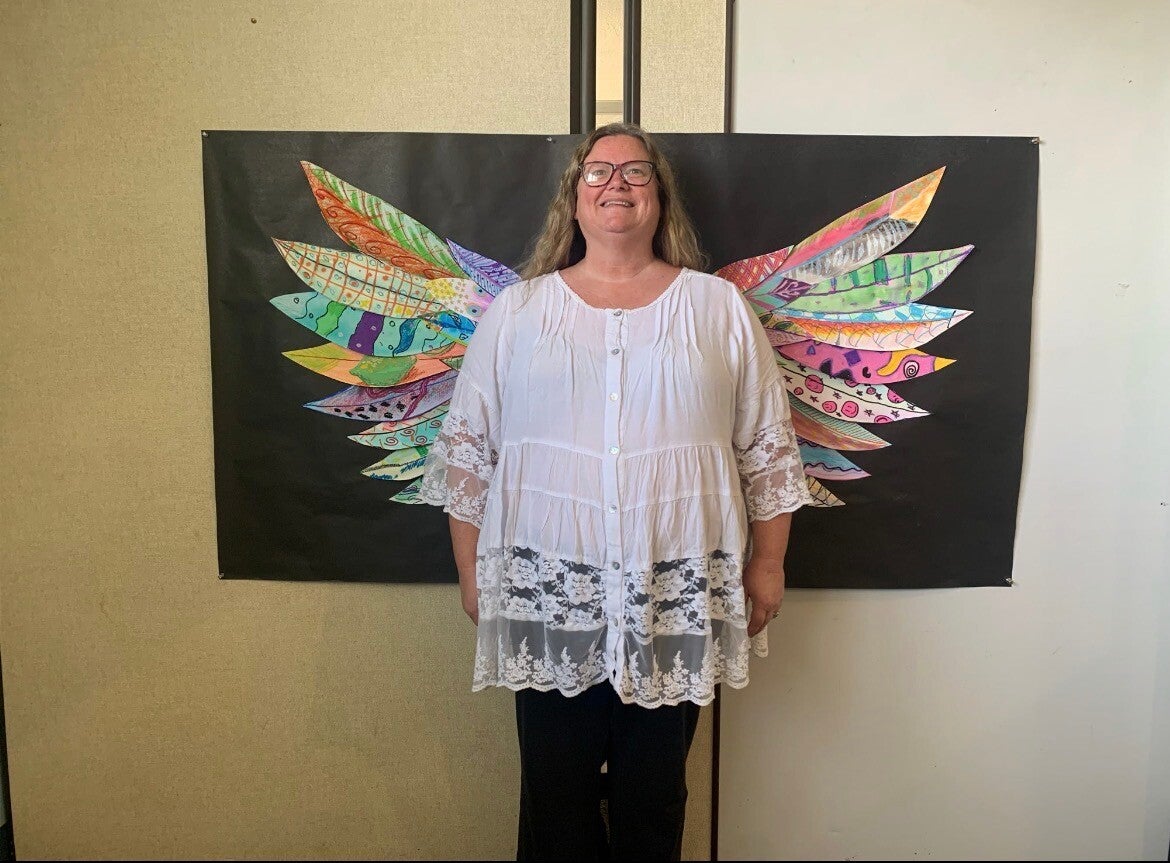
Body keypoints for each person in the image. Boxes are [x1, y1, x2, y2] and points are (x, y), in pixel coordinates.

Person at [420, 123, 811, 861]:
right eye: (597, 171)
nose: (617, 184)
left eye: (636, 171)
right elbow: (470, 453)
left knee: (654, 794)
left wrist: (768, 563)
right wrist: (472, 572)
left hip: (673, 594)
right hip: (548, 594)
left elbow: (767, 448)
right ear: (573, 197)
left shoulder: (718, 308)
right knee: (554, 793)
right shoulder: (518, 312)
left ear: (660, 195)